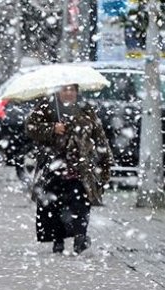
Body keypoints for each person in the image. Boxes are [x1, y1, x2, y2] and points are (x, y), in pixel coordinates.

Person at [26, 84, 113, 255]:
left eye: (72, 90)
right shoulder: (47, 107)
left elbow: (99, 136)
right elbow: (31, 128)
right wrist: (52, 129)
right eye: (65, 89)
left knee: (80, 204)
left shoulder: (85, 109)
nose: (68, 93)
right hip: (53, 167)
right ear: (58, 91)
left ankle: (80, 237)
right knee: (54, 205)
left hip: (79, 168)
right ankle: (58, 241)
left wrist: (105, 162)